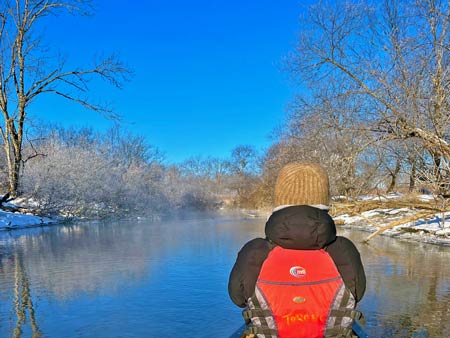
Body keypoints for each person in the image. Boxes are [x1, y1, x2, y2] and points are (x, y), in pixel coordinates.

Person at [228, 163, 366, 338]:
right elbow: (357, 294)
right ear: (324, 202)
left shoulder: (254, 251)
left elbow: (238, 299)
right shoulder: (344, 250)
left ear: (279, 202)